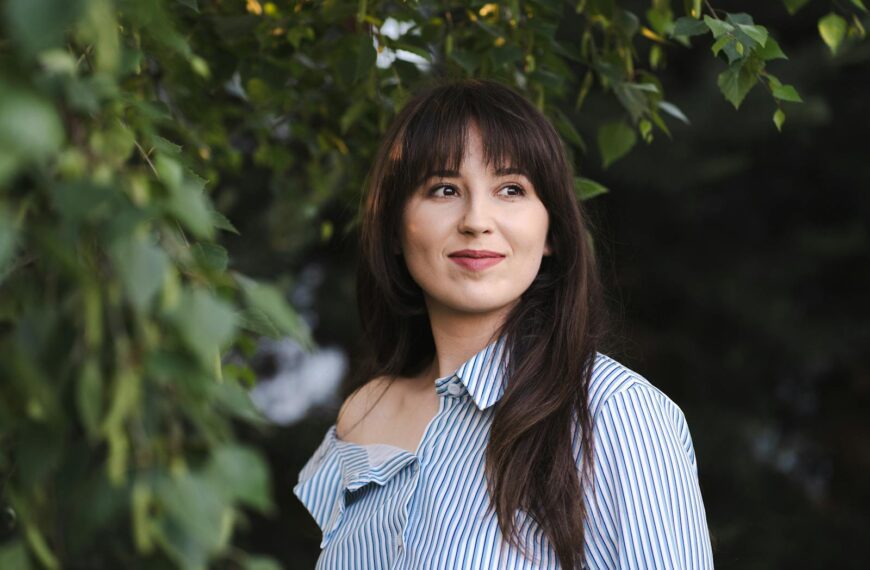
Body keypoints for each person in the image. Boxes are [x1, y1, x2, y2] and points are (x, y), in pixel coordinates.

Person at [293, 78, 714, 569]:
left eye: (510, 189)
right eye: (444, 189)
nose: (476, 219)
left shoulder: (614, 412)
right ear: (394, 227)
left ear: (551, 230)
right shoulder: (363, 414)